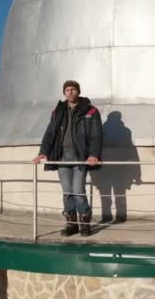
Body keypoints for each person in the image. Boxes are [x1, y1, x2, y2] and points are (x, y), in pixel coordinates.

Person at [32, 80, 103, 237]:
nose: (70, 92)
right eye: (67, 90)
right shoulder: (58, 111)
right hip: (62, 156)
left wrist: (93, 154)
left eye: (73, 89)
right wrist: (42, 152)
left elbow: (96, 135)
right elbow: (50, 133)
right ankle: (71, 224)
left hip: (80, 156)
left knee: (78, 191)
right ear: (64, 93)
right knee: (67, 192)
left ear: (78, 91)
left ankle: (84, 222)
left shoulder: (90, 111)